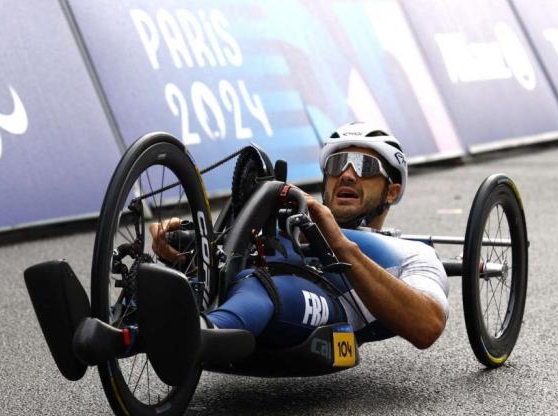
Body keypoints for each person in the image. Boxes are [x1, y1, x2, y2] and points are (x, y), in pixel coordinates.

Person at [149, 122, 449, 351]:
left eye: (364, 166)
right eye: (337, 164)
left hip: (312, 300)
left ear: (392, 191)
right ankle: (125, 331)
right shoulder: (286, 218)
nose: (346, 174)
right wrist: (185, 248)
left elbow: (427, 326)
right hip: (241, 282)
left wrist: (339, 243)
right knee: (173, 282)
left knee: (264, 286)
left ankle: (202, 333)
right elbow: (228, 259)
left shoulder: (411, 253)